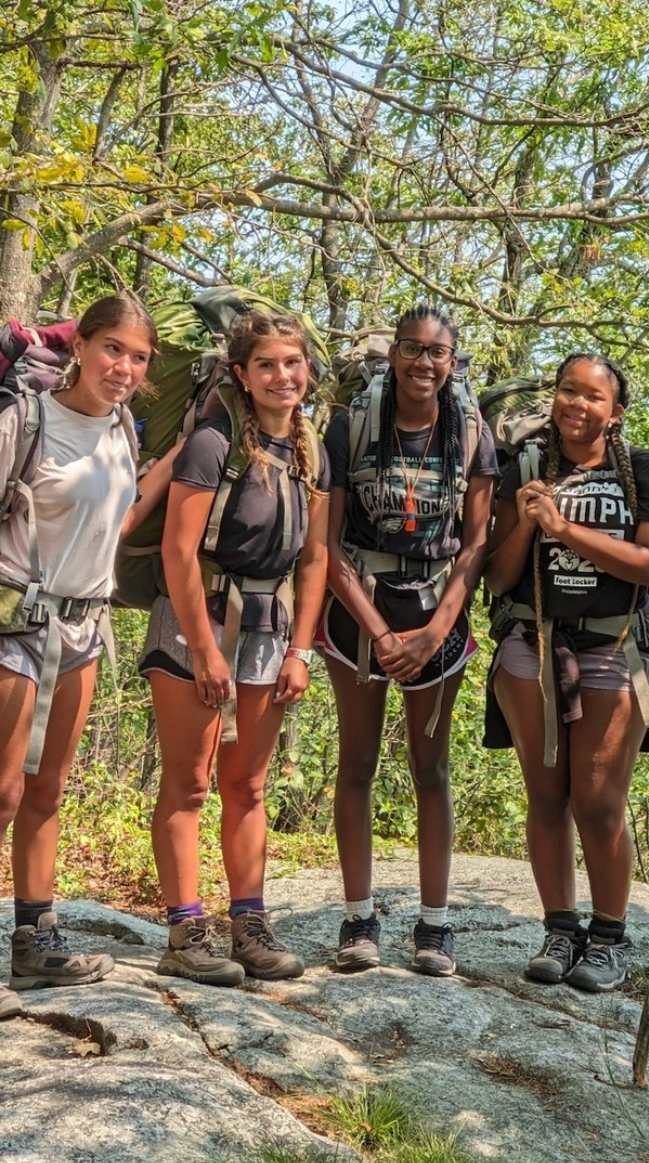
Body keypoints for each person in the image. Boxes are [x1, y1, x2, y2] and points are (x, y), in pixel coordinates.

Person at [482, 352, 649, 992]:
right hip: (530, 643)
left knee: (597, 802)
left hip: (613, 647)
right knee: (545, 796)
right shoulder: (528, 468)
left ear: (614, 412)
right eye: (568, 391)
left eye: (593, 396)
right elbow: (499, 577)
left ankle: (610, 937)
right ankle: (560, 929)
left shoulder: (646, 471)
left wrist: (563, 528)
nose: (577, 404)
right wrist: (529, 524)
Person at [145, 312, 329, 987]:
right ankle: (186, 929)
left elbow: (315, 560)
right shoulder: (212, 445)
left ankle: (247, 922)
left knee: (248, 784)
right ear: (243, 376)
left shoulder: (313, 451)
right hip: (197, 622)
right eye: (268, 365)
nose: (284, 376)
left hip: (271, 627)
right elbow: (177, 551)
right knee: (190, 783)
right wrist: (204, 650)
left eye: (293, 363)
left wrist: (301, 650)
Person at [321, 304, 496, 977]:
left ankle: (435, 925)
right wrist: (380, 631)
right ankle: (359, 918)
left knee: (432, 770)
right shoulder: (354, 426)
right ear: (393, 353)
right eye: (412, 349)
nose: (424, 363)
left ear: (453, 361)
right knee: (357, 760)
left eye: (438, 352)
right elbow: (326, 543)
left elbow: (476, 539)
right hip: (358, 613)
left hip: (435, 614)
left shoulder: (471, 430)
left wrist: (436, 630)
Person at [0, 295, 159, 1018]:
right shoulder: (26, 421)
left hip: (83, 629)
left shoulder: (124, 427)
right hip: (17, 624)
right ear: (81, 345)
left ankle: (35, 941)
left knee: (47, 790)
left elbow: (114, 517)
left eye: (138, 357)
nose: (123, 367)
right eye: (112, 349)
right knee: (2, 789)